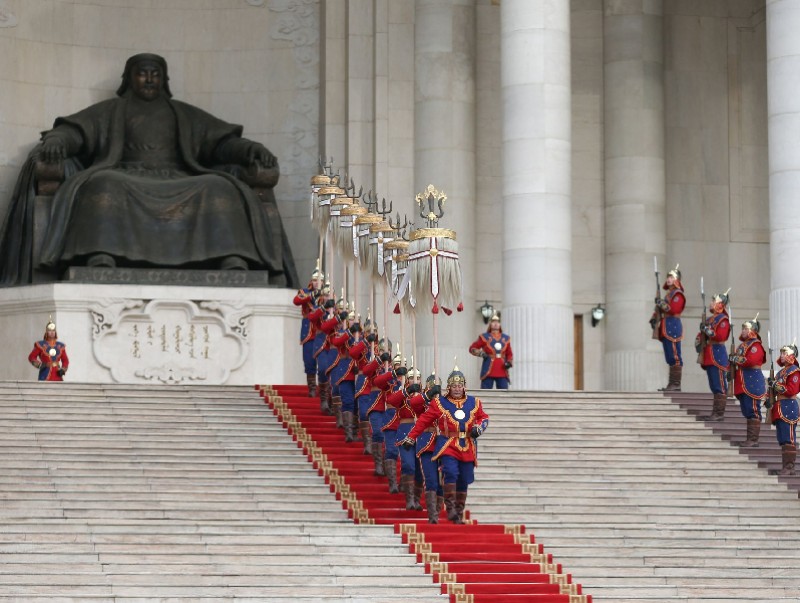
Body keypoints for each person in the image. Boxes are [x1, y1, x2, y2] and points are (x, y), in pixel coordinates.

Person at [0, 52, 298, 286]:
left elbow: (220, 143)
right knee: (103, 185)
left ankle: (232, 258)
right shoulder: (112, 110)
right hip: (125, 175)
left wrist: (250, 150)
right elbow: (76, 132)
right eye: (142, 73)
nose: (149, 79)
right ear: (129, 78)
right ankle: (102, 256)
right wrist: (56, 141)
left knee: (219, 188)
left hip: (180, 178)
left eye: (155, 74)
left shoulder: (181, 113)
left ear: (164, 79)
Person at [401, 365, 489, 524]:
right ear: (448, 387)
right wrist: (411, 436)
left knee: (464, 479)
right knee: (450, 471)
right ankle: (449, 509)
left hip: (467, 443)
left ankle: (459, 512)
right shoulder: (439, 403)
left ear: (464, 386)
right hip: (448, 443)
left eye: (459, 385)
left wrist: (479, 427)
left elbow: (483, 418)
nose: (457, 389)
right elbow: (423, 420)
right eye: (454, 386)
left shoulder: (474, 402)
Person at [728, 316, 767, 447]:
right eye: (743, 328)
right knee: (746, 410)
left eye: (746, 328)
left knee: (752, 410)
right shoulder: (742, 345)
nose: (743, 330)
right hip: (743, 380)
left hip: (752, 380)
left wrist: (736, 359)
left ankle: (753, 440)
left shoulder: (756, 345)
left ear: (753, 330)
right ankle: (750, 439)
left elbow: (750, 361)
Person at [766, 343, 800, 476]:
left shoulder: (794, 371)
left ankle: (790, 467)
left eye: (784, 353)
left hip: (788, 406)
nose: (781, 356)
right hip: (779, 406)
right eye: (781, 353)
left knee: (789, 438)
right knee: (782, 438)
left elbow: (792, 390)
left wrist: (775, 384)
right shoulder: (781, 372)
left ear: (791, 355)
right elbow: (775, 389)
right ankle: (785, 466)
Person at [697, 292, 731, 421]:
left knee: (719, 385)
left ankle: (719, 414)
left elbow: (720, 336)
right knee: (713, 384)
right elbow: (703, 335)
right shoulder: (709, 319)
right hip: (709, 354)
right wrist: (699, 338)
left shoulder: (723, 319)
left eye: (713, 301)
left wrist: (707, 331)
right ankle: (715, 413)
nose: (711, 303)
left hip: (717, 353)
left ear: (720, 304)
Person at [652, 265, 685, 392]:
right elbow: (662, 309)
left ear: (677, 279)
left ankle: (676, 384)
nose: (668, 279)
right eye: (668, 277)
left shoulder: (678, 294)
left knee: (675, 355)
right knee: (669, 355)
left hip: (673, 325)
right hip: (666, 325)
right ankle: (672, 384)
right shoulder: (668, 294)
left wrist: (660, 303)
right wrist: (655, 317)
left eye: (671, 277)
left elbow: (673, 309)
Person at [293, 261, 323, 396]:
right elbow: (296, 301)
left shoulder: (326, 294)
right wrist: (311, 296)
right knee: (309, 361)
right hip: (309, 333)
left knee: (323, 363)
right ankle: (311, 388)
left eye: (320, 280)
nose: (317, 283)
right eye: (315, 280)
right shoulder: (304, 292)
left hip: (322, 332)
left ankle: (324, 389)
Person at [469, 311, 513, 389]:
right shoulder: (484, 337)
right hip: (488, 369)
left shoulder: (506, 338)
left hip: (502, 369)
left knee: (503, 393)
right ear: (490, 324)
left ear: (500, 324)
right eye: (493, 322)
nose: (496, 324)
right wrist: (481, 353)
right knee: (486, 392)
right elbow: (472, 348)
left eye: (497, 322)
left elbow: (509, 353)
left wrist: (509, 362)